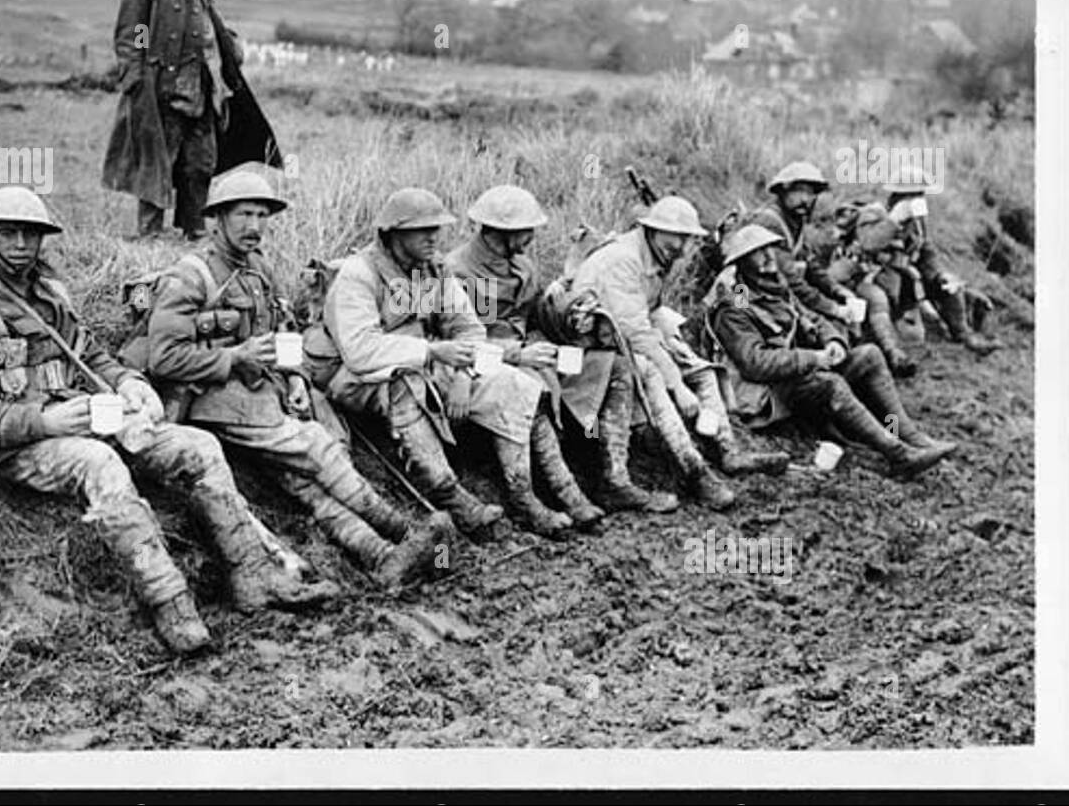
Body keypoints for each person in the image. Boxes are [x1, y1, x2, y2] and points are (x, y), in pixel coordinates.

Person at [0, 187, 336, 656]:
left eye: (31, 234)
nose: (21, 244)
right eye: (8, 233)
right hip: (19, 443)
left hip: (78, 416)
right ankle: (171, 603)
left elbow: (91, 354)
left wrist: (127, 382)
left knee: (198, 446)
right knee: (101, 464)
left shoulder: (50, 298)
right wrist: (46, 421)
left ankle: (254, 574)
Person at [141, 167, 451, 589]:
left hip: (261, 391)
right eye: (244, 215)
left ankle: (380, 556)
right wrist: (233, 357)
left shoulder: (258, 268)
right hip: (209, 398)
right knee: (312, 445)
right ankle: (405, 531)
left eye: (262, 216)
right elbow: (164, 359)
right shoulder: (191, 275)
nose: (255, 226)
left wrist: (297, 379)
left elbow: (280, 334)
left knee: (304, 480)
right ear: (218, 217)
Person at [321, 188, 575, 540]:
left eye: (436, 228)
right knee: (407, 387)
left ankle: (523, 498)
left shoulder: (432, 271)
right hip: (363, 376)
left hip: (428, 363)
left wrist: (460, 374)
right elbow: (360, 350)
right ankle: (453, 499)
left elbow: (469, 329)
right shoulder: (359, 275)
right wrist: (433, 352)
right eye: (423, 230)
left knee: (513, 383)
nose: (434, 237)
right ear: (394, 233)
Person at [445, 185, 674, 516]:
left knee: (617, 365)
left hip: (534, 351)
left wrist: (570, 313)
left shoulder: (522, 266)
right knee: (531, 386)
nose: (531, 238)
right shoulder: (458, 272)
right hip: (487, 365)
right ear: (501, 231)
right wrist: (517, 354)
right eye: (526, 231)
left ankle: (615, 480)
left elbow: (535, 312)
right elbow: (454, 340)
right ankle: (563, 492)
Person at [571, 197, 788, 512]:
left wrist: (675, 341)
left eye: (689, 239)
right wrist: (678, 382)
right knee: (656, 374)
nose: (685, 248)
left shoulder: (767, 282)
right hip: (599, 342)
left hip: (638, 334)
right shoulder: (627, 260)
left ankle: (727, 450)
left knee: (700, 368)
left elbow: (652, 310)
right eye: (679, 238)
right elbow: (637, 331)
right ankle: (694, 471)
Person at [707, 224, 957, 478]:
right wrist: (814, 358)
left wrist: (833, 341)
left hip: (796, 376)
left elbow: (811, 317)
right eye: (758, 253)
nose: (770, 258)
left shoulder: (773, 288)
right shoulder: (735, 307)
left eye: (769, 250)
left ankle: (911, 437)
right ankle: (899, 455)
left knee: (869, 354)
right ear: (743, 263)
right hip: (767, 395)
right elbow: (756, 363)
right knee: (831, 383)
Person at [103, 0, 244, 240]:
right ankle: (149, 234)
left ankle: (193, 231)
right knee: (156, 161)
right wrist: (137, 81)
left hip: (202, 86)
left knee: (200, 163)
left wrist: (230, 49)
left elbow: (208, 21)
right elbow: (136, 33)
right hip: (162, 90)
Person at [883, 175, 1001, 356]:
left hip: (917, 281)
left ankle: (965, 335)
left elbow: (927, 252)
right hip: (894, 284)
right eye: (913, 195)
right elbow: (878, 249)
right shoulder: (884, 220)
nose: (918, 200)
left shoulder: (917, 224)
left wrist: (939, 275)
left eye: (920, 195)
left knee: (953, 289)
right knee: (913, 334)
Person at [746, 161, 864, 331]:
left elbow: (811, 264)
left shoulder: (794, 221)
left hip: (776, 294)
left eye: (810, 193)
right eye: (799, 191)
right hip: (747, 296)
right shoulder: (770, 223)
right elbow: (790, 281)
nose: (805, 199)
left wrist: (837, 289)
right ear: (783, 191)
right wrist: (834, 309)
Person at [824, 202, 918, 377]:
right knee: (876, 300)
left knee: (881, 300)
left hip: (867, 284)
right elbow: (833, 276)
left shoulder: (880, 241)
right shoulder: (849, 246)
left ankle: (893, 354)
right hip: (845, 289)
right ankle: (892, 354)